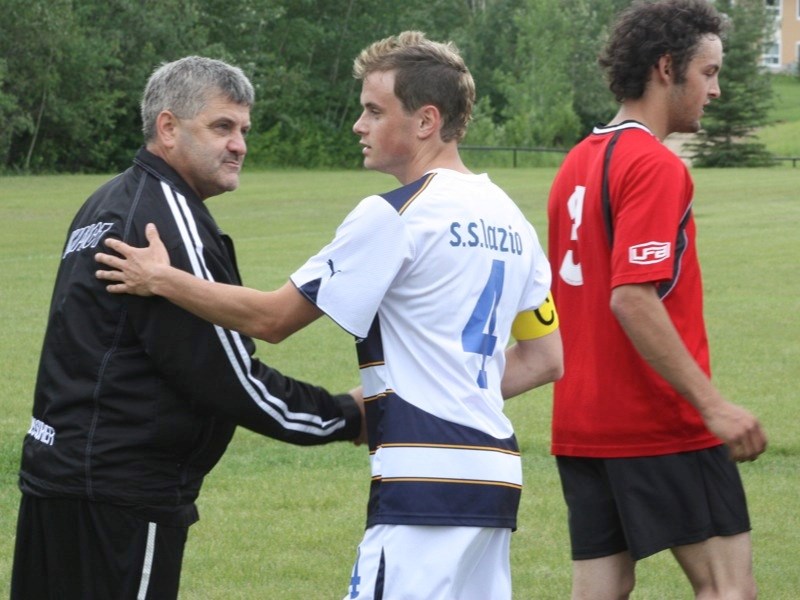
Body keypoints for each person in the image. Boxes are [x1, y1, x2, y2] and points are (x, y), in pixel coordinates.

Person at [95, 31, 563, 600]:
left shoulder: (396, 213)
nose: (358, 126)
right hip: (496, 476)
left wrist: (161, 279)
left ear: (425, 120)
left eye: (373, 110)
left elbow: (273, 318)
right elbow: (545, 360)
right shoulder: (512, 219)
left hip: (423, 478)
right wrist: (454, 388)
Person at [11, 56, 363, 600]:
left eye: (244, 129)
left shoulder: (104, 201)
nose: (240, 144)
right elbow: (229, 376)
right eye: (222, 126)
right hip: (122, 498)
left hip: (58, 480)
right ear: (168, 128)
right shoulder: (164, 223)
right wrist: (345, 416)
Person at [546, 1, 768, 598]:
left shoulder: (578, 162)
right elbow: (631, 299)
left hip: (580, 423)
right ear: (667, 68)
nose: (715, 90)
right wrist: (713, 407)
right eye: (709, 72)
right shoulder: (654, 165)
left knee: (600, 590)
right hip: (657, 422)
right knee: (729, 590)